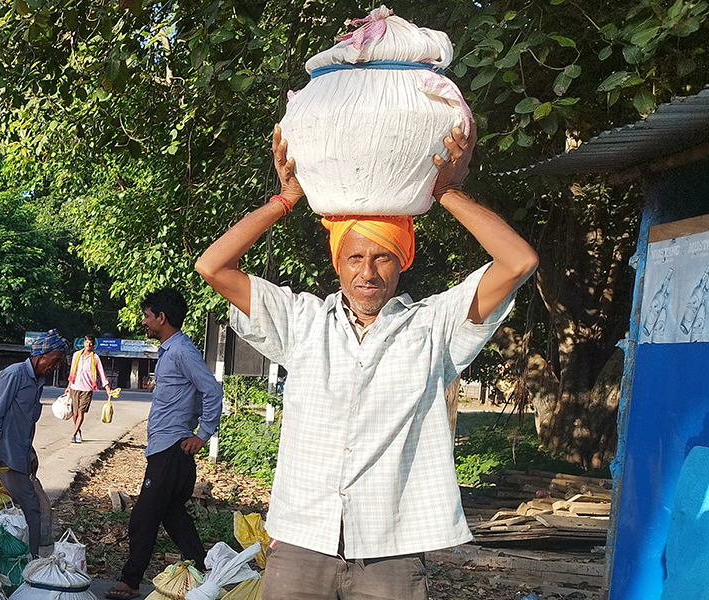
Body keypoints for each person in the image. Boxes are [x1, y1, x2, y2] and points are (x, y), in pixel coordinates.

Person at [194, 125, 539, 600]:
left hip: (390, 552)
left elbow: (518, 261)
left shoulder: (433, 326)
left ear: (403, 262)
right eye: (355, 257)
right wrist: (286, 199)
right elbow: (213, 267)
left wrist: (448, 193)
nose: (368, 272)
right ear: (338, 263)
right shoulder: (303, 322)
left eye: (383, 257)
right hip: (300, 542)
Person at [104, 289, 223, 600]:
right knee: (173, 513)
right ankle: (204, 570)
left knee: (143, 516)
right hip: (166, 447)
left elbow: (211, 390)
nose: (144, 321)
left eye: (147, 315)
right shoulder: (170, 351)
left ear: (161, 317)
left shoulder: (182, 350)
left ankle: (130, 581)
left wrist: (202, 433)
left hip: (172, 449)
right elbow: (195, 395)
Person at [0, 329, 70, 557]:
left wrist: (31, 453)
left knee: (16, 509)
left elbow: (26, 423)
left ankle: (15, 557)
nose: (56, 366)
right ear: (41, 355)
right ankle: (32, 560)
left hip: (21, 454)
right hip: (6, 455)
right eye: (55, 360)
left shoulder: (37, 382)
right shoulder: (14, 375)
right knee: (31, 506)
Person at [67, 334, 110, 443]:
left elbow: (101, 373)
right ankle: (78, 432)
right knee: (75, 412)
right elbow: (72, 372)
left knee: (81, 412)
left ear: (93, 345)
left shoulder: (95, 358)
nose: (88, 344)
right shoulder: (76, 355)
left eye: (91, 343)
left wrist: (107, 388)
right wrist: (68, 386)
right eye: (87, 342)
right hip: (74, 387)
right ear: (84, 343)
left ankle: (73, 434)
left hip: (87, 389)